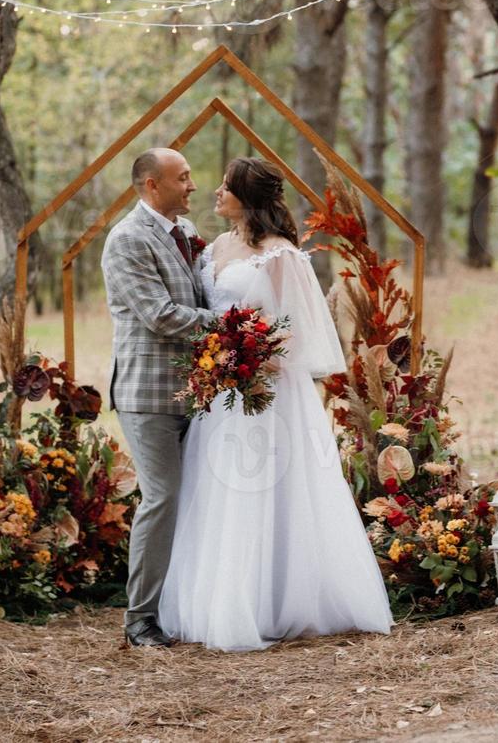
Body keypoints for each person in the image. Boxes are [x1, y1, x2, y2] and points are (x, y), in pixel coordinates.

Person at [157, 156, 392, 651]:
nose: (214, 192)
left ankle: (280, 599)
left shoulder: (281, 253)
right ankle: (222, 599)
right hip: (220, 389)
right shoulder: (215, 246)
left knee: (268, 489)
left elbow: (295, 329)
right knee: (217, 491)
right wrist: (219, 361)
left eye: (226, 186)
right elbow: (207, 312)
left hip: (267, 389)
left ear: (249, 196)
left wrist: (255, 356)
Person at [101, 147, 217, 648]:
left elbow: (203, 294)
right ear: (152, 184)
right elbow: (162, 315)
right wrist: (237, 325)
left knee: (195, 499)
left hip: (199, 391)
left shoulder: (187, 235)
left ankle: (184, 605)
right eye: (183, 177)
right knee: (162, 497)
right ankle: (140, 619)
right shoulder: (126, 239)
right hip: (147, 394)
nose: (192, 185)